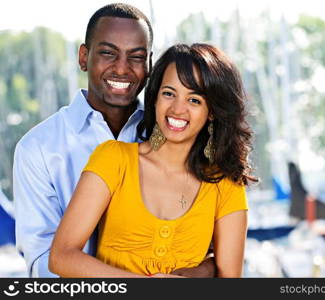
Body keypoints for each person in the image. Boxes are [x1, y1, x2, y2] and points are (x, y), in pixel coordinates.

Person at [13, 3, 214, 278]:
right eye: (108, 53)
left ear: (150, 65)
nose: (122, 69)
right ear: (84, 57)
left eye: (136, 57)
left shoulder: (174, 133)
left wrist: (194, 274)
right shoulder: (38, 148)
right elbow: (44, 262)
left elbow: (210, 249)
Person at [49, 43, 256, 277]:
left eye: (194, 100)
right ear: (155, 97)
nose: (178, 109)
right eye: (169, 93)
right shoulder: (113, 159)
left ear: (212, 112)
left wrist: (200, 272)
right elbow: (61, 257)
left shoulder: (226, 185)